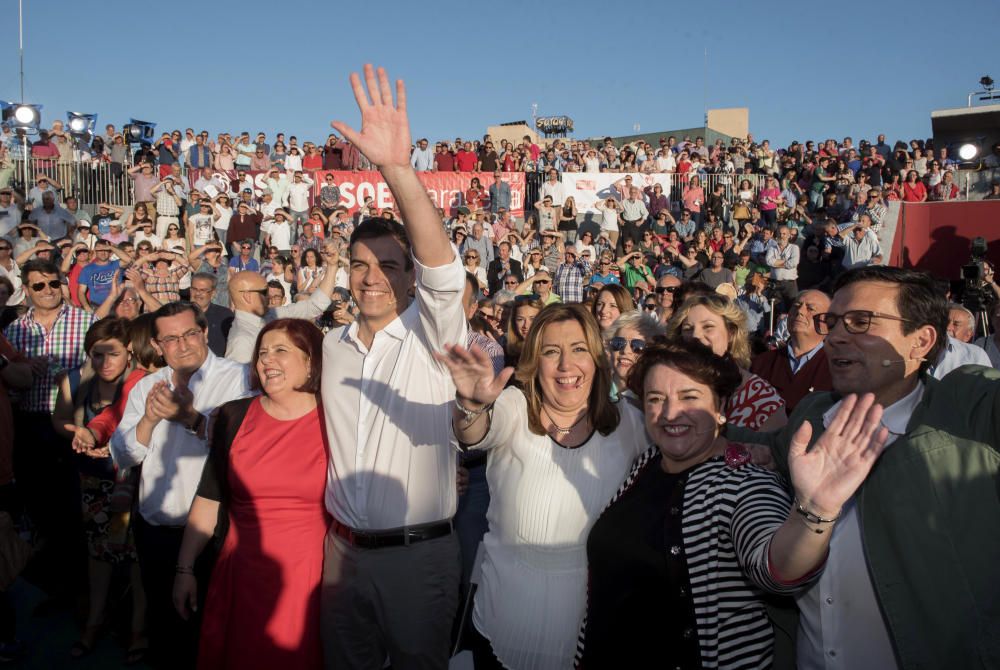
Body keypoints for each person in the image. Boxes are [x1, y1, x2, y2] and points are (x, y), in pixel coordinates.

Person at [729, 265, 1000, 670]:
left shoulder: (967, 408)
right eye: (832, 321)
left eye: (860, 322)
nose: (835, 336)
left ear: (921, 340)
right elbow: (763, 448)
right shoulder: (814, 412)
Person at [580, 339, 888, 668]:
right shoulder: (647, 464)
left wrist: (815, 511)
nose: (670, 413)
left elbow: (778, 569)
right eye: (656, 399)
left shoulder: (743, 481)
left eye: (689, 397)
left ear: (720, 407)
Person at [319, 65, 466, 669]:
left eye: (388, 265)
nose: (372, 277)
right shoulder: (329, 348)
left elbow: (443, 268)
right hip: (339, 554)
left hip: (418, 558)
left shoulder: (434, 334)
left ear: (409, 277)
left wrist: (396, 171)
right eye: (360, 264)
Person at [435, 304, 647, 670]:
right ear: (535, 361)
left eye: (579, 349)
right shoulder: (515, 407)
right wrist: (470, 405)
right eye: (552, 352)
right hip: (503, 621)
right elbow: (474, 432)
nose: (566, 365)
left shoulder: (631, 424)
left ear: (598, 357)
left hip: (592, 629)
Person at [173, 319, 328, 669]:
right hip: (240, 576)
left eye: (280, 351)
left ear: (311, 360)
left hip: (311, 580)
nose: (266, 361)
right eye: (262, 353)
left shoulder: (338, 419)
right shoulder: (232, 416)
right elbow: (209, 497)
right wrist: (184, 569)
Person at [110, 301, 252, 668]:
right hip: (155, 530)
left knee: (210, 632)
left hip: (212, 535)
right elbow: (122, 456)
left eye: (190, 333)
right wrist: (149, 421)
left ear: (205, 333)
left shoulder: (239, 378)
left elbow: (243, 451)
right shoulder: (147, 387)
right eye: (170, 339)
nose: (183, 344)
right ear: (156, 346)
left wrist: (189, 418)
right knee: (166, 629)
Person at [51, 317, 148, 663]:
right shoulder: (75, 380)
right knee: (99, 554)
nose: (105, 362)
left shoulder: (142, 381)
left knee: (136, 557)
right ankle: (94, 621)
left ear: (130, 354)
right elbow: (59, 420)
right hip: (92, 478)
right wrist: (81, 436)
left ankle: (138, 627)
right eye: (97, 354)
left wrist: (110, 442)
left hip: (135, 480)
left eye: (114, 354)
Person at [4, 259, 96, 599]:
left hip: (72, 424)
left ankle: (80, 588)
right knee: (40, 508)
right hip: (29, 425)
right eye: (38, 286)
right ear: (26, 290)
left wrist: (68, 379)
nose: (47, 291)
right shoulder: (13, 331)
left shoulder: (87, 321)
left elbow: (101, 370)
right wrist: (24, 370)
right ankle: (55, 586)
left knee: (74, 508)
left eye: (53, 284)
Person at [667, 293, 787, 431]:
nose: (695, 335)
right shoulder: (669, 385)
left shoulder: (762, 400)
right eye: (688, 329)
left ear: (730, 333)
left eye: (708, 327)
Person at [224, 269, 336, 364]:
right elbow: (241, 387)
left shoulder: (270, 315)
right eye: (264, 292)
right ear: (247, 296)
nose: (269, 297)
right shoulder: (241, 342)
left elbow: (313, 306)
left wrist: (332, 267)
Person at [750, 290, 833, 413]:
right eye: (796, 306)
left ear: (827, 323)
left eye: (810, 308)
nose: (800, 312)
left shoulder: (837, 369)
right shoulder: (762, 363)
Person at [605, 311, 663, 401]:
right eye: (618, 342)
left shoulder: (656, 397)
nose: (625, 351)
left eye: (637, 345)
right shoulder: (596, 390)